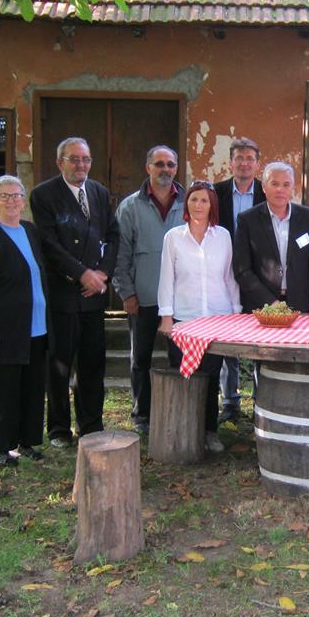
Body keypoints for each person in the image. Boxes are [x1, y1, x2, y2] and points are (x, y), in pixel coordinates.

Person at [30, 137, 119, 448]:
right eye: (74, 159)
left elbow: (113, 234)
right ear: (60, 162)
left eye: (86, 159)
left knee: (93, 363)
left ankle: (91, 424)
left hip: (93, 296)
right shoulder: (43, 195)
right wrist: (82, 274)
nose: (81, 165)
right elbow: (49, 244)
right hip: (63, 294)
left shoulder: (99, 192)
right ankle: (58, 429)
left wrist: (103, 273)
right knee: (60, 364)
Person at [0, 175, 51, 467]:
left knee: (31, 387)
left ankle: (26, 441)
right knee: (2, 389)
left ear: (23, 200)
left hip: (37, 326)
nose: (12, 201)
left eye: (16, 195)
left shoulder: (30, 231)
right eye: (4, 196)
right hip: (4, 329)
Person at [157, 182, 241, 453]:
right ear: (187, 203)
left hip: (217, 320)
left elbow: (229, 277)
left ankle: (209, 432)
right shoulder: (173, 237)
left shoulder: (223, 236)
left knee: (211, 377)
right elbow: (167, 279)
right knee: (184, 377)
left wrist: (237, 311)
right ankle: (182, 433)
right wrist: (166, 317)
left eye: (204, 200)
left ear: (212, 205)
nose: (198, 205)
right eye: (194, 199)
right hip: (184, 320)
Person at [112, 146, 185, 435]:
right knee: (140, 359)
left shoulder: (189, 203)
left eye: (170, 164)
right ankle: (141, 414)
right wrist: (126, 293)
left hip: (180, 301)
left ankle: (178, 412)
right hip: (143, 297)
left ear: (176, 168)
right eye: (159, 164)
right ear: (148, 168)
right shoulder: (130, 207)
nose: (165, 169)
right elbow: (120, 254)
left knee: (179, 359)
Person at [214, 138, 266, 423]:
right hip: (222, 274)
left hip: (258, 276)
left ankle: (261, 400)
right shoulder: (216, 192)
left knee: (261, 338)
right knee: (228, 341)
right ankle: (230, 401)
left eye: (249, 158)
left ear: (257, 164)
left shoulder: (266, 191)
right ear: (230, 162)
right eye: (239, 158)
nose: (244, 163)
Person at [233, 162, 309, 313]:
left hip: (303, 306)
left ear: (292, 188)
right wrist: (270, 302)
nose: (280, 189)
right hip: (262, 307)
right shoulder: (247, 220)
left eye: (286, 184)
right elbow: (242, 270)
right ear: (264, 187)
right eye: (274, 184)